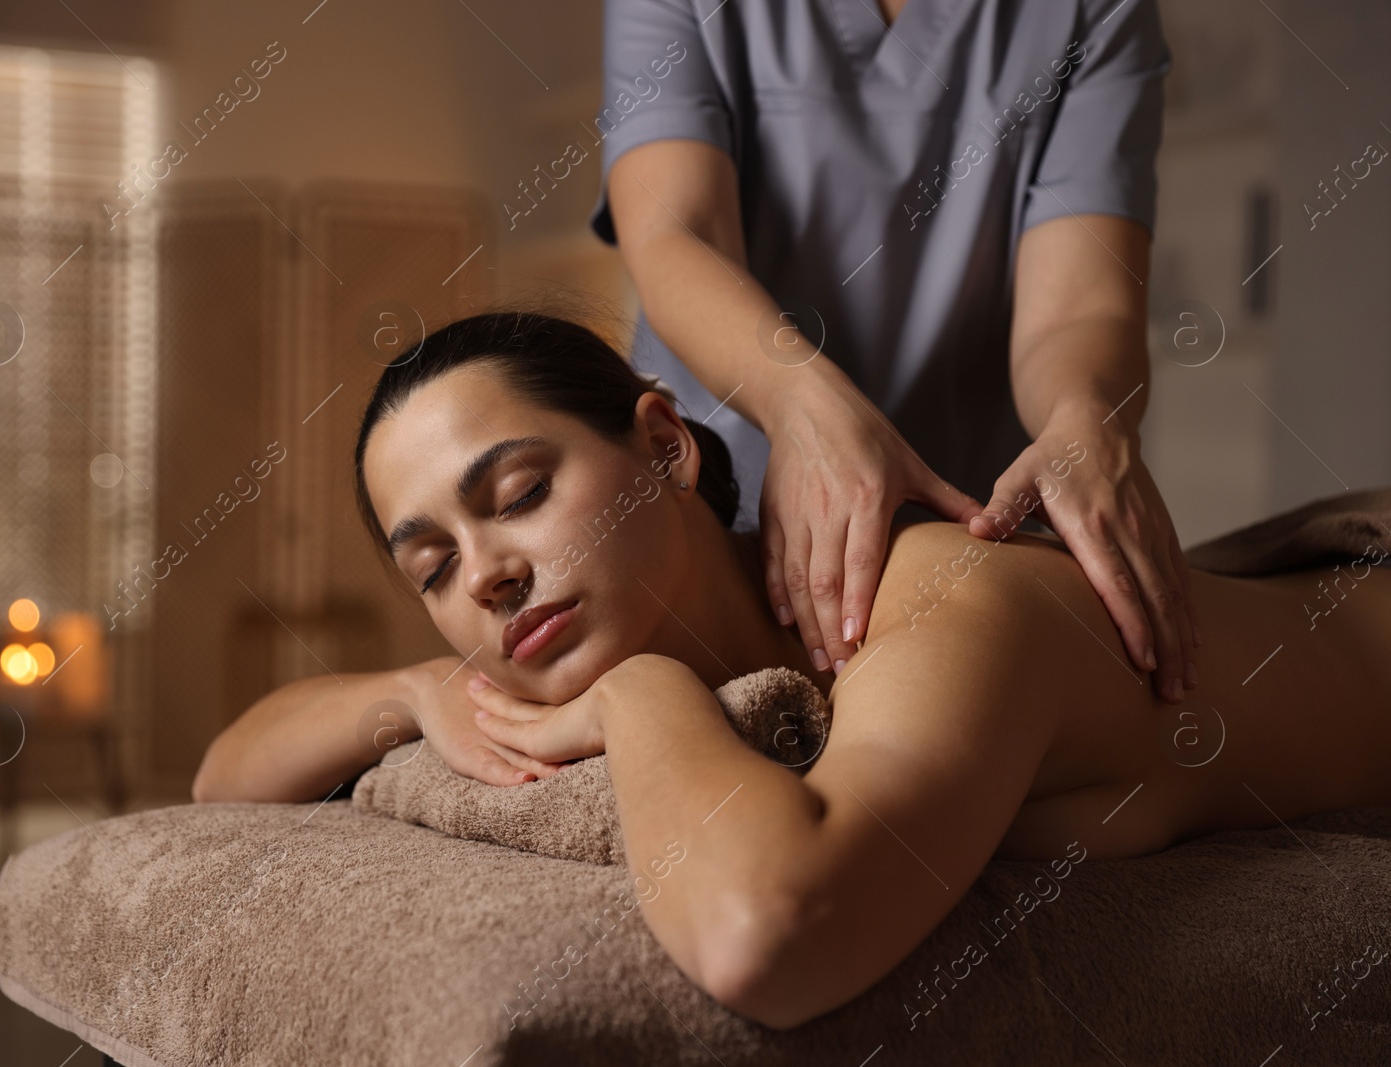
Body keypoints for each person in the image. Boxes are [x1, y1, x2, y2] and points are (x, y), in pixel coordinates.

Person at [193, 311, 1391, 1027]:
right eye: (433, 567)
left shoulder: (940, 601)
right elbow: (221, 781)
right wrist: (407, 692)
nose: (488, 574)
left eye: (518, 496)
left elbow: (768, 934)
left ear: (664, 447)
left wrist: (634, 696)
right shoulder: (554, 613)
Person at [590, 0, 1200, 705]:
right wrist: (799, 403)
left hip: (964, 544)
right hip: (725, 507)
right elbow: (677, 231)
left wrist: (1087, 421)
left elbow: (1080, 308)